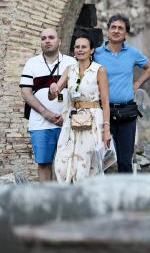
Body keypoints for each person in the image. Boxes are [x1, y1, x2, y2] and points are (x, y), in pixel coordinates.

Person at [94, 14, 150, 173]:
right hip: (103, 113)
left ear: (126, 34)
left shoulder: (133, 53)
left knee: (125, 161)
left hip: (127, 113)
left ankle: (125, 196)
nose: (116, 31)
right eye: (113, 27)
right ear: (107, 31)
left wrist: (137, 83)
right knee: (104, 160)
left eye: (120, 28)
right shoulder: (96, 54)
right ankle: (105, 196)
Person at [50, 35, 111, 184]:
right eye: (77, 47)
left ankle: (87, 200)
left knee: (86, 164)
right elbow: (54, 94)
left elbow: (105, 102)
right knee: (61, 163)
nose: (79, 50)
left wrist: (106, 129)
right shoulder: (70, 70)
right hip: (71, 121)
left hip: (92, 120)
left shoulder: (99, 70)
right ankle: (68, 198)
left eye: (84, 47)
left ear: (91, 50)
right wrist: (53, 89)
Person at [20, 28, 75, 181]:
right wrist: (45, 113)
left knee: (68, 163)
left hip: (67, 123)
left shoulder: (71, 62)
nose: (47, 41)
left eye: (51, 37)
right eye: (43, 38)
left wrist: (68, 116)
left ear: (60, 41)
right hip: (40, 124)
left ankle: (66, 201)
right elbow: (25, 92)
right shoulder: (32, 63)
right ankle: (46, 201)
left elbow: (79, 91)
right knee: (44, 164)